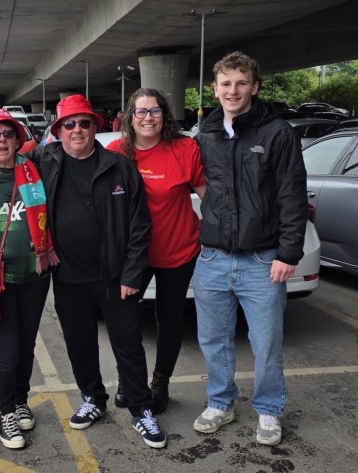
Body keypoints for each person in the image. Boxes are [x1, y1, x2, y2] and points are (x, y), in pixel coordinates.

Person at [0, 95, 166, 448]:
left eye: (84, 123)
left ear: (95, 127)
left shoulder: (119, 167)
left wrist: (132, 274)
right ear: (57, 131)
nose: (77, 130)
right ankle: (93, 398)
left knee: (128, 345)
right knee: (79, 344)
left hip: (115, 276)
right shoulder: (45, 160)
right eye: (69, 124)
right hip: (68, 277)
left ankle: (141, 408)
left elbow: (140, 225)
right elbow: (1, 152)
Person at [190, 51, 308, 446]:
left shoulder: (277, 133)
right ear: (215, 89)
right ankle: (219, 403)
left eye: (241, 83)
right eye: (226, 83)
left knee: (266, 342)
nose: (233, 90)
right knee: (214, 340)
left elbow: (292, 195)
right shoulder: (204, 135)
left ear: (254, 87)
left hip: (262, 259)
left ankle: (269, 409)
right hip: (213, 258)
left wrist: (288, 253)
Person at [105, 88, 205, 414]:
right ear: (130, 117)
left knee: (170, 320)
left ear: (165, 115)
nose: (148, 117)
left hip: (178, 250)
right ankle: (129, 379)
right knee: (125, 320)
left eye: (155, 111)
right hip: (134, 255)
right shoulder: (116, 152)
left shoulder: (184, 148)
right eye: (141, 111)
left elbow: (209, 196)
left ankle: (161, 382)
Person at [0, 109, 57, 450]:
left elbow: (63, 147)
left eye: (8, 134)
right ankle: (4, 411)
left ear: (18, 140)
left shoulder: (35, 168)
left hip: (35, 275)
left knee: (27, 344)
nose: (2, 140)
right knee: (7, 349)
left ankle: (20, 400)